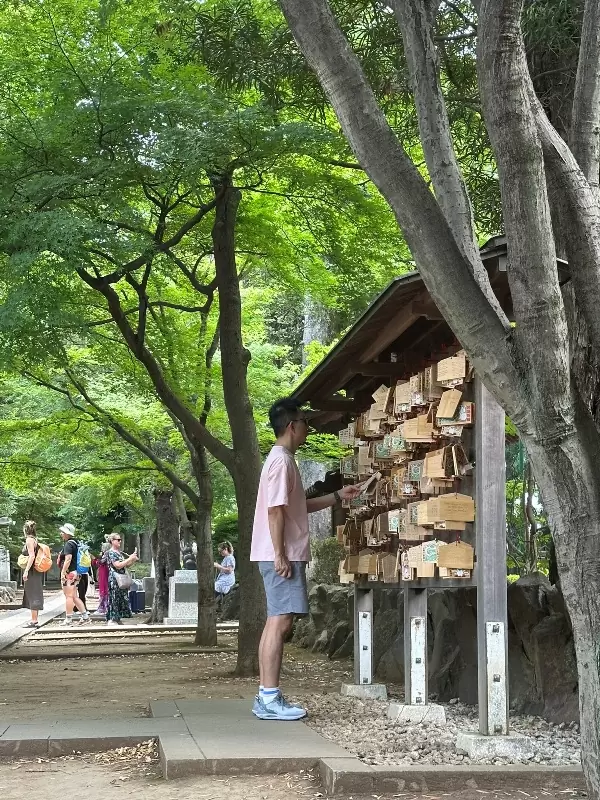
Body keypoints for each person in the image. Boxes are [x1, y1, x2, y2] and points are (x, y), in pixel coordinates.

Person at [250, 397, 362, 721]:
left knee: (277, 620)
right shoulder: (281, 462)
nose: (308, 427)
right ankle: (268, 698)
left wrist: (338, 496)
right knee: (280, 621)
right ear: (291, 426)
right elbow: (274, 511)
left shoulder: (284, 460)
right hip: (280, 554)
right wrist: (280, 554)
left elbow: (297, 506)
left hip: (280, 552)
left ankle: (266, 696)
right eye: (305, 421)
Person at [58, 523, 90, 626]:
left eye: (62, 532)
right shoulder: (76, 543)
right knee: (74, 596)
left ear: (67, 533)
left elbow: (68, 559)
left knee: (69, 597)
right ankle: (85, 617)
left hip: (70, 574)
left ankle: (68, 619)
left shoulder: (68, 544)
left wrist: (63, 572)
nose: (61, 534)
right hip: (77, 573)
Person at [106, 532, 138, 626]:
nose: (120, 541)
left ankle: (118, 618)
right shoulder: (111, 552)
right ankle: (112, 619)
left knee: (121, 598)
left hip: (121, 578)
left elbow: (126, 565)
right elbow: (118, 565)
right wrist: (129, 559)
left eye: (120, 539)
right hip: (115, 579)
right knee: (114, 598)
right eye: (118, 540)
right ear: (112, 541)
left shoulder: (119, 553)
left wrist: (132, 560)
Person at [21, 520, 44, 628]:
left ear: (25, 529)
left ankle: (34, 620)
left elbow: (32, 556)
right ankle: (34, 619)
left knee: (33, 593)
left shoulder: (29, 540)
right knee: (34, 592)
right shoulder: (34, 539)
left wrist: (26, 571)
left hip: (31, 570)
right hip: (35, 570)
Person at [93, 540, 110, 616]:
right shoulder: (106, 554)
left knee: (104, 590)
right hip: (104, 573)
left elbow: (101, 562)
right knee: (104, 589)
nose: (101, 549)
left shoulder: (106, 554)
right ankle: (104, 607)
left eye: (103, 547)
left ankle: (104, 608)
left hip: (104, 573)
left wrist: (95, 559)